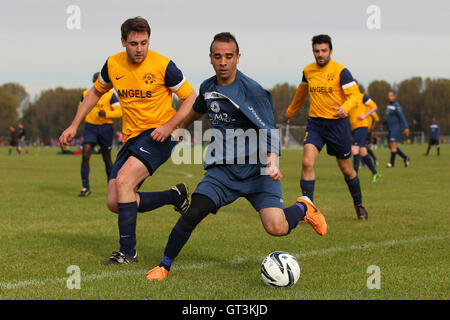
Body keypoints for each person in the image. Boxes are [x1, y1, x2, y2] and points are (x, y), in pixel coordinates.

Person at [146, 32, 327, 281]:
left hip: (258, 170)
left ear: (238, 58)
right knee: (194, 212)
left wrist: (272, 161)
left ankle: (303, 207)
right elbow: (196, 112)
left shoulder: (252, 91)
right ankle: (163, 267)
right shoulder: (208, 88)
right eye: (218, 56)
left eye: (229, 56)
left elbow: (269, 130)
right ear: (210, 58)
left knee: (277, 227)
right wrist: (176, 131)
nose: (223, 62)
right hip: (223, 172)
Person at [59, 16, 197, 265]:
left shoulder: (164, 65)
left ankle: (127, 252)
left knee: (123, 181)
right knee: (115, 202)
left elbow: (191, 98)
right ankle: (174, 196)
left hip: (160, 134)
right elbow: (94, 93)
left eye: (144, 43)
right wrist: (74, 124)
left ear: (149, 41)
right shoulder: (112, 64)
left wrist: (169, 126)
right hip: (132, 138)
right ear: (123, 41)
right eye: (133, 43)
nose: (139, 49)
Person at [284, 34, 368, 220]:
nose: (320, 54)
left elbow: (355, 96)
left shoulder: (341, 71)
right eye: (316, 51)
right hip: (316, 124)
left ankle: (359, 204)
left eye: (323, 51)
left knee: (347, 170)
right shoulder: (308, 70)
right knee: (307, 162)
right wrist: (290, 110)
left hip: (337, 125)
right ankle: (309, 211)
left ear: (330, 51)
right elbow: (301, 93)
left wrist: (345, 109)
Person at [77, 72, 122, 197]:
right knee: (85, 154)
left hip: (105, 128)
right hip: (90, 127)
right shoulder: (86, 94)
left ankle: (111, 187)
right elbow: (80, 110)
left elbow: (119, 112)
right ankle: (85, 187)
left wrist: (106, 114)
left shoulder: (110, 95)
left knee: (107, 158)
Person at [347, 84, 380, 183]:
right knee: (363, 152)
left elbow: (374, 107)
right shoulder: (348, 99)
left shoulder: (362, 97)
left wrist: (365, 115)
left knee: (354, 149)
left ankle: (355, 177)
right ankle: (375, 173)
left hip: (362, 126)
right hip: (354, 128)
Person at [384, 91, 410, 168]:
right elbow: (388, 117)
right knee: (390, 146)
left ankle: (391, 164)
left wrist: (406, 127)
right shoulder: (388, 106)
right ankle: (405, 157)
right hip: (390, 128)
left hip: (396, 128)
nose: (389, 97)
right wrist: (383, 124)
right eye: (388, 95)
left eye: (391, 95)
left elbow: (402, 116)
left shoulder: (397, 105)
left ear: (394, 97)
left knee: (392, 144)